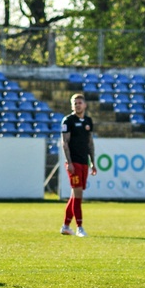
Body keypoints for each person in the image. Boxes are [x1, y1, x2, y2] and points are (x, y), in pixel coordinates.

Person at [61, 93, 97, 237]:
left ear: (85, 105)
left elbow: (90, 143)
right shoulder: (68, 120)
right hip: (74, 162)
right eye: (75, 103)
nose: (77, 105)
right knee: (78, 194)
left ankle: (65, 226)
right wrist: (69, 162)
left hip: (84, 162)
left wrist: (93, 162)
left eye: (80, 103)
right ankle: (79, 227)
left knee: (74, 195)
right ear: (72, 105)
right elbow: (64, 142)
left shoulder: (88, 121)